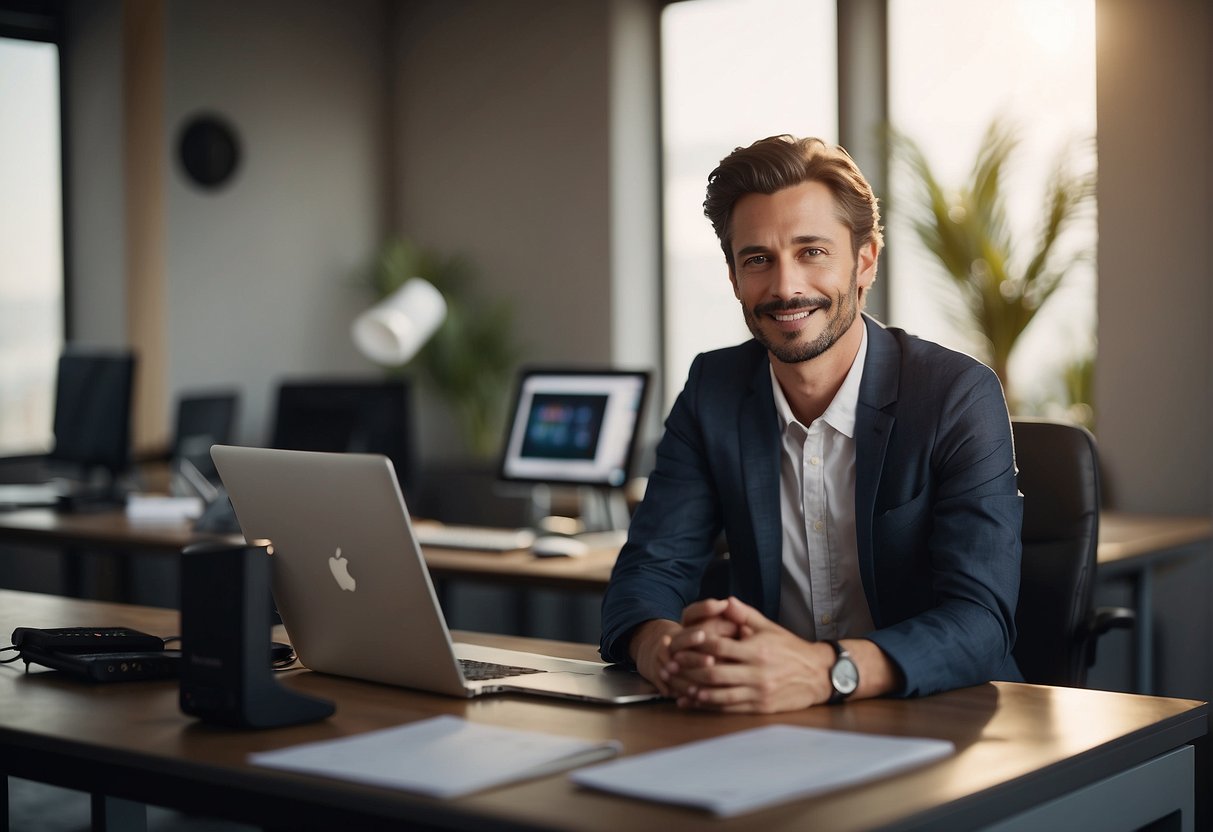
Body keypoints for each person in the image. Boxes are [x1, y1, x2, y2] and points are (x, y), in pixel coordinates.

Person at [600, 135, 1023, 713]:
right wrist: (664, 649)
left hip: (942, 715)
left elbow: (981, 622)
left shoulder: (954, 396)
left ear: (865, 260)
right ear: (733, 277)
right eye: (758, 260)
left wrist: (828, 671)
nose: (785, 287)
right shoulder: (713, 390)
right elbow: (650, 569)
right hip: (770, 717)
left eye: (812, 252)